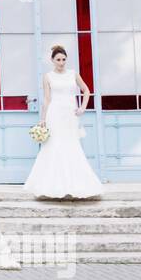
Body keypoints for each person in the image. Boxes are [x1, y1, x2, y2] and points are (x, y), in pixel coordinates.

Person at [24, 44, 102, 200]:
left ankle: (75, 185)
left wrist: (82, 107)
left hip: (70, 114)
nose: (61, 62)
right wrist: (43, 119)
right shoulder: (48, 76)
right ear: (52, 60)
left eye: (63, 59)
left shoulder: (73, 74)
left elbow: (86, 90)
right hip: (55, 114)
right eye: (58, 59)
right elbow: (47, 99)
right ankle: (51, 186)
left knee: (71, 145)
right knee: (54, 146)